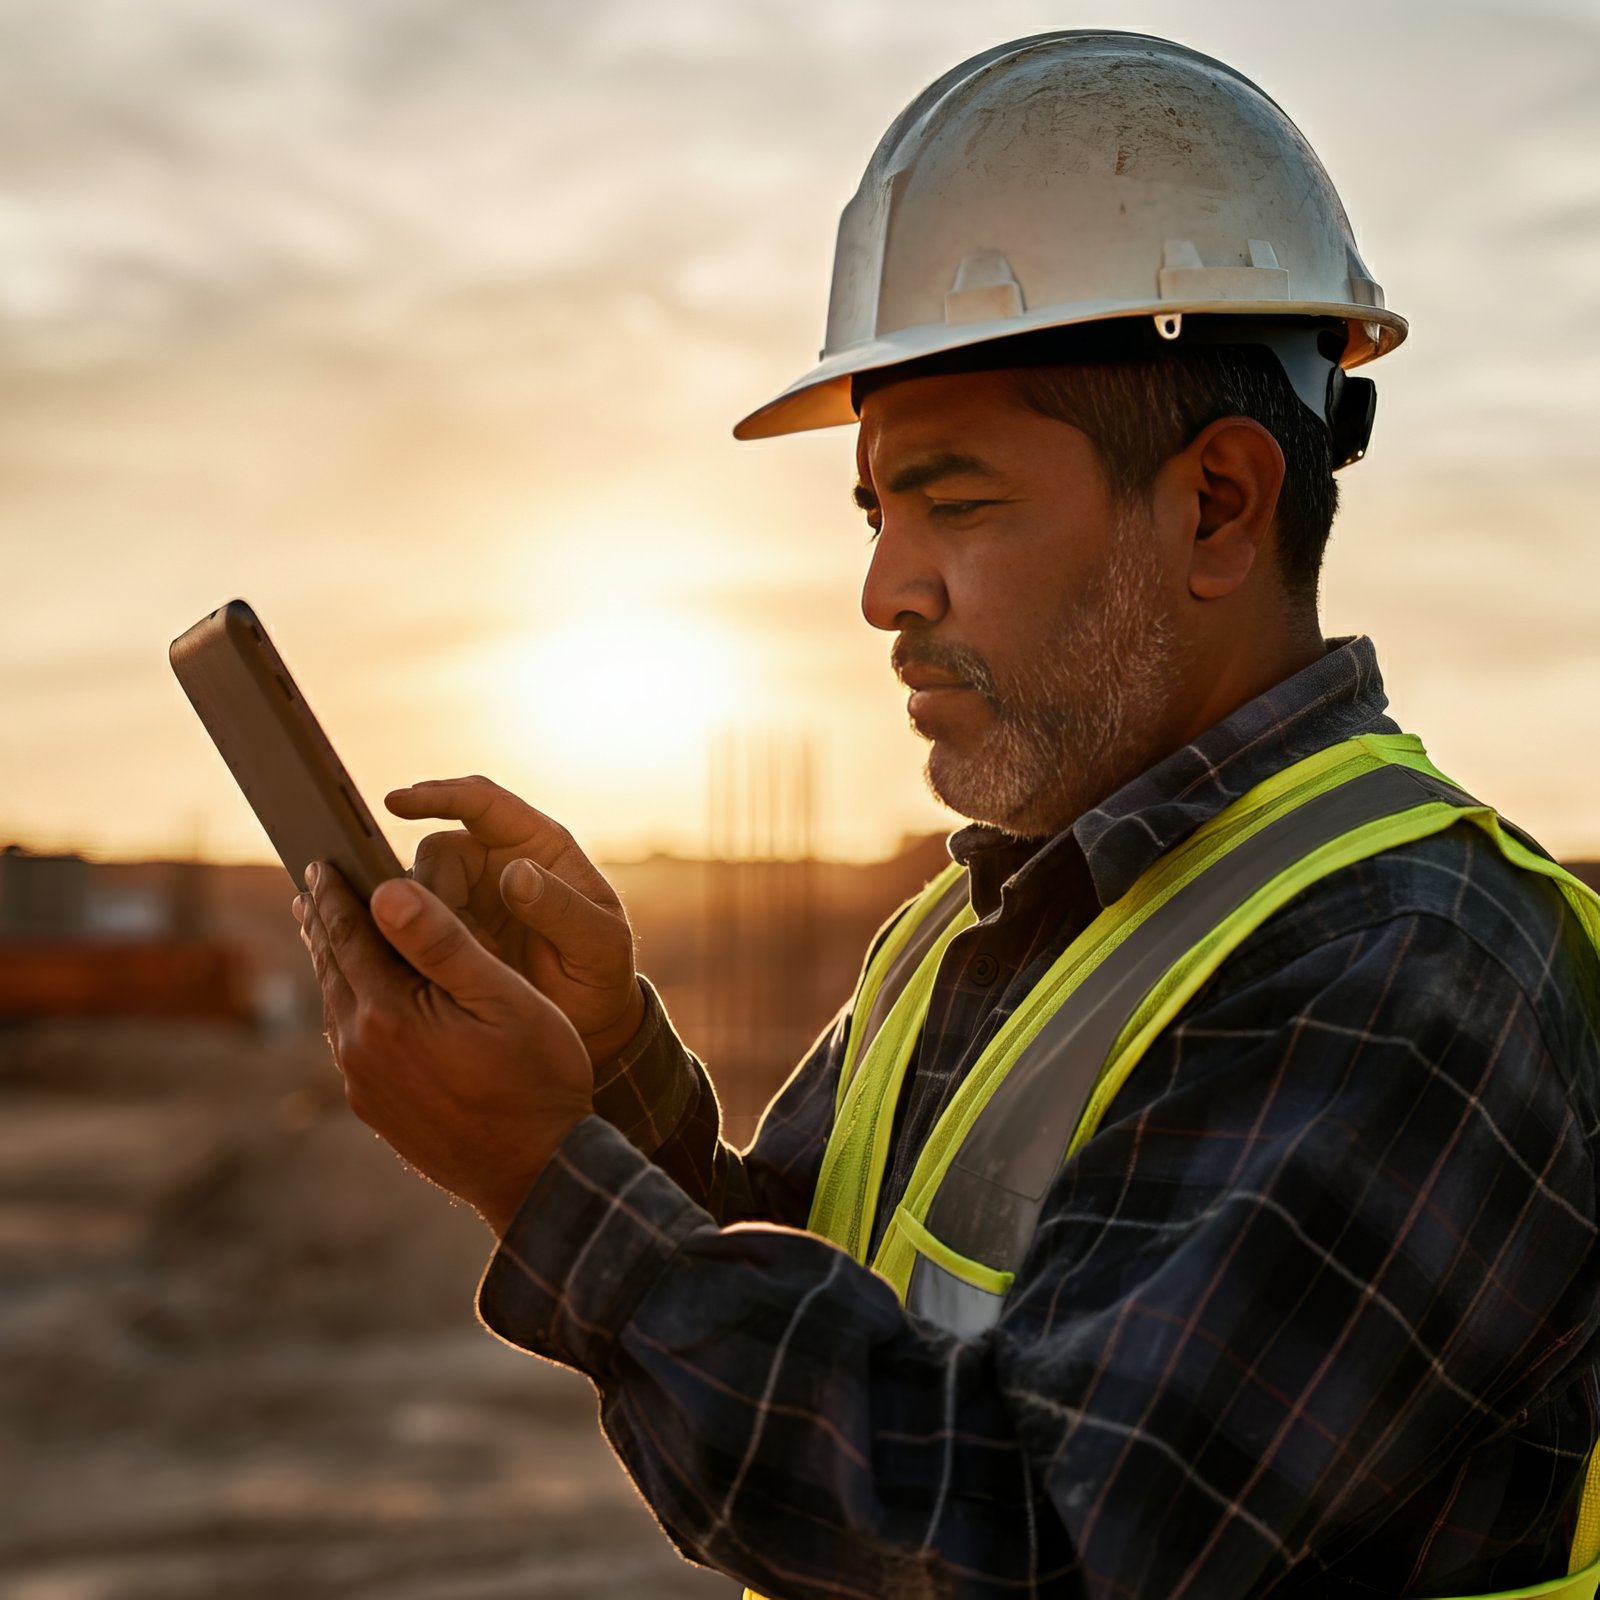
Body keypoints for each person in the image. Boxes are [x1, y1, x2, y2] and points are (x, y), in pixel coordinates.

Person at [294, 32, 1600, 1600]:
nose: (882, 591)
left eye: (956, 503)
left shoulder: (1405, 969)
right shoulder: (987, 924)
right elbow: (834, 1314)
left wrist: (534, 1174)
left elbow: (1035, 1539)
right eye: (876, 511)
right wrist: (604, 1073)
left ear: (1218, 504)